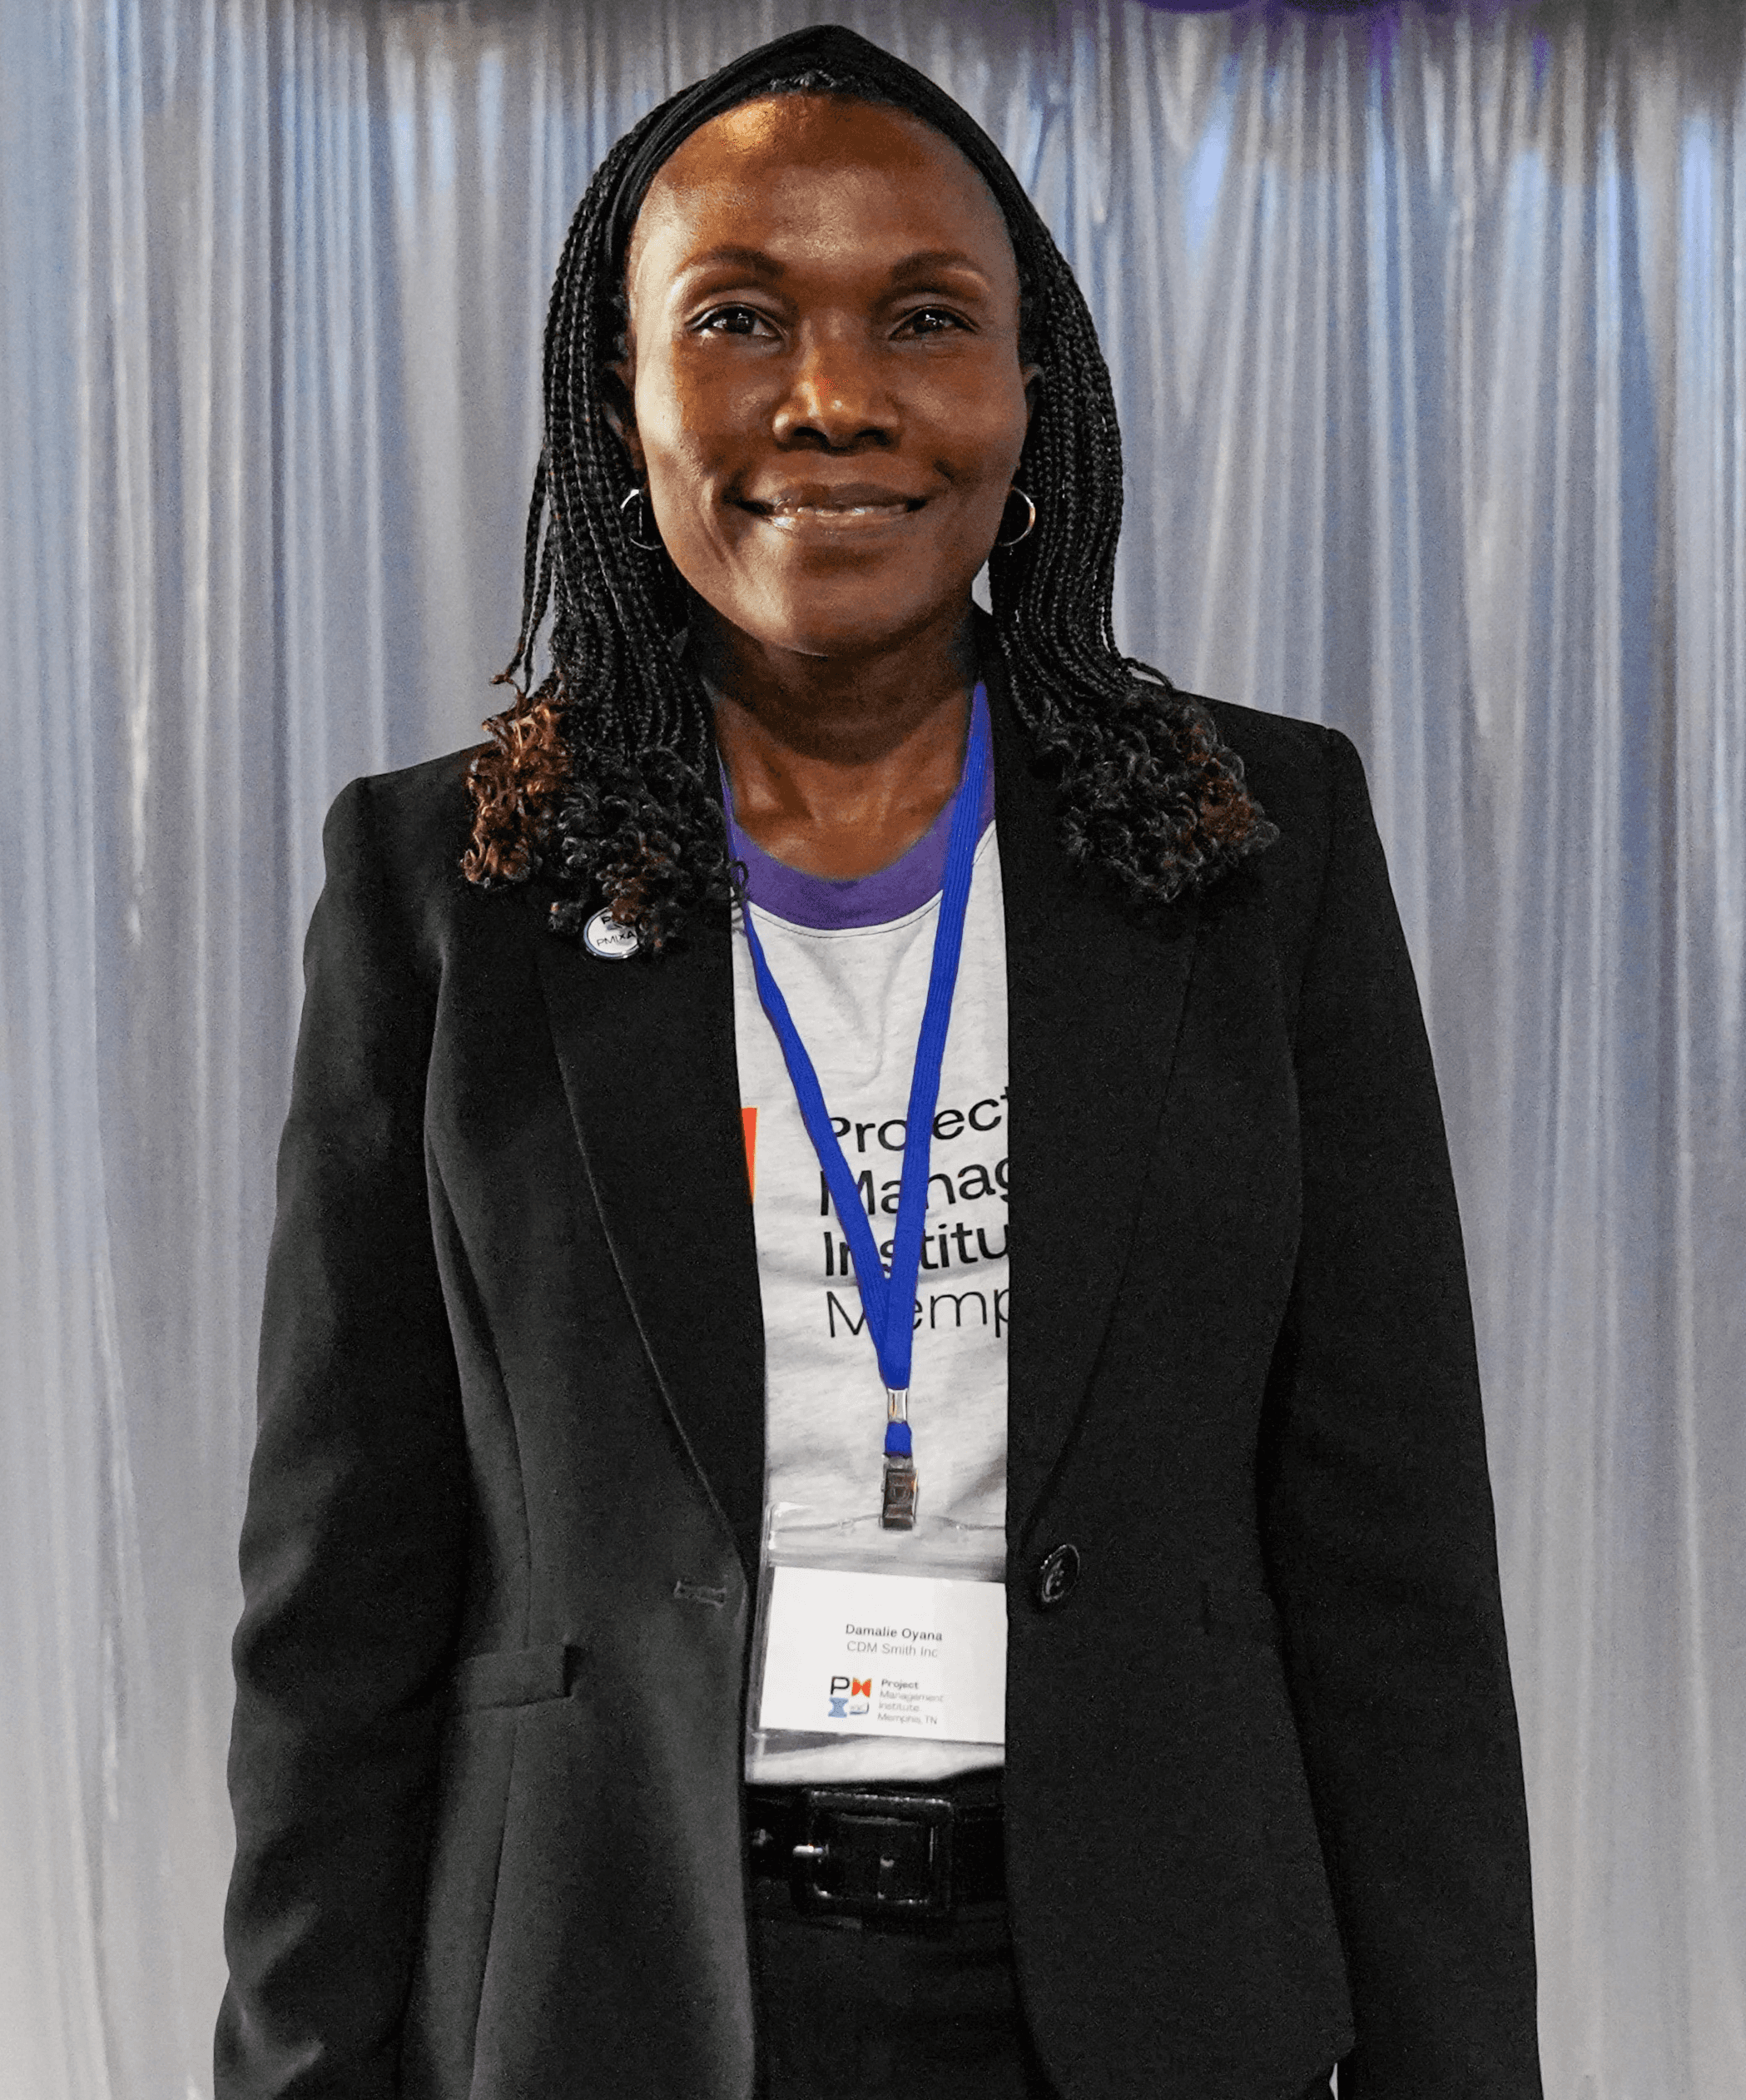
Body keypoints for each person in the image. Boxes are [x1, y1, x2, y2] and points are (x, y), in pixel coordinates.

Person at [216, 25, 1541, 2100]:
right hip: (609, 1990)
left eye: (924, 319)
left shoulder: (1247, 854)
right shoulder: (441, 886)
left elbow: (1393, 1584)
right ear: (620, 397)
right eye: (736, 318)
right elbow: (339, 1599)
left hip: (1155, 1995)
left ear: (1033, 397)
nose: (831, 398)